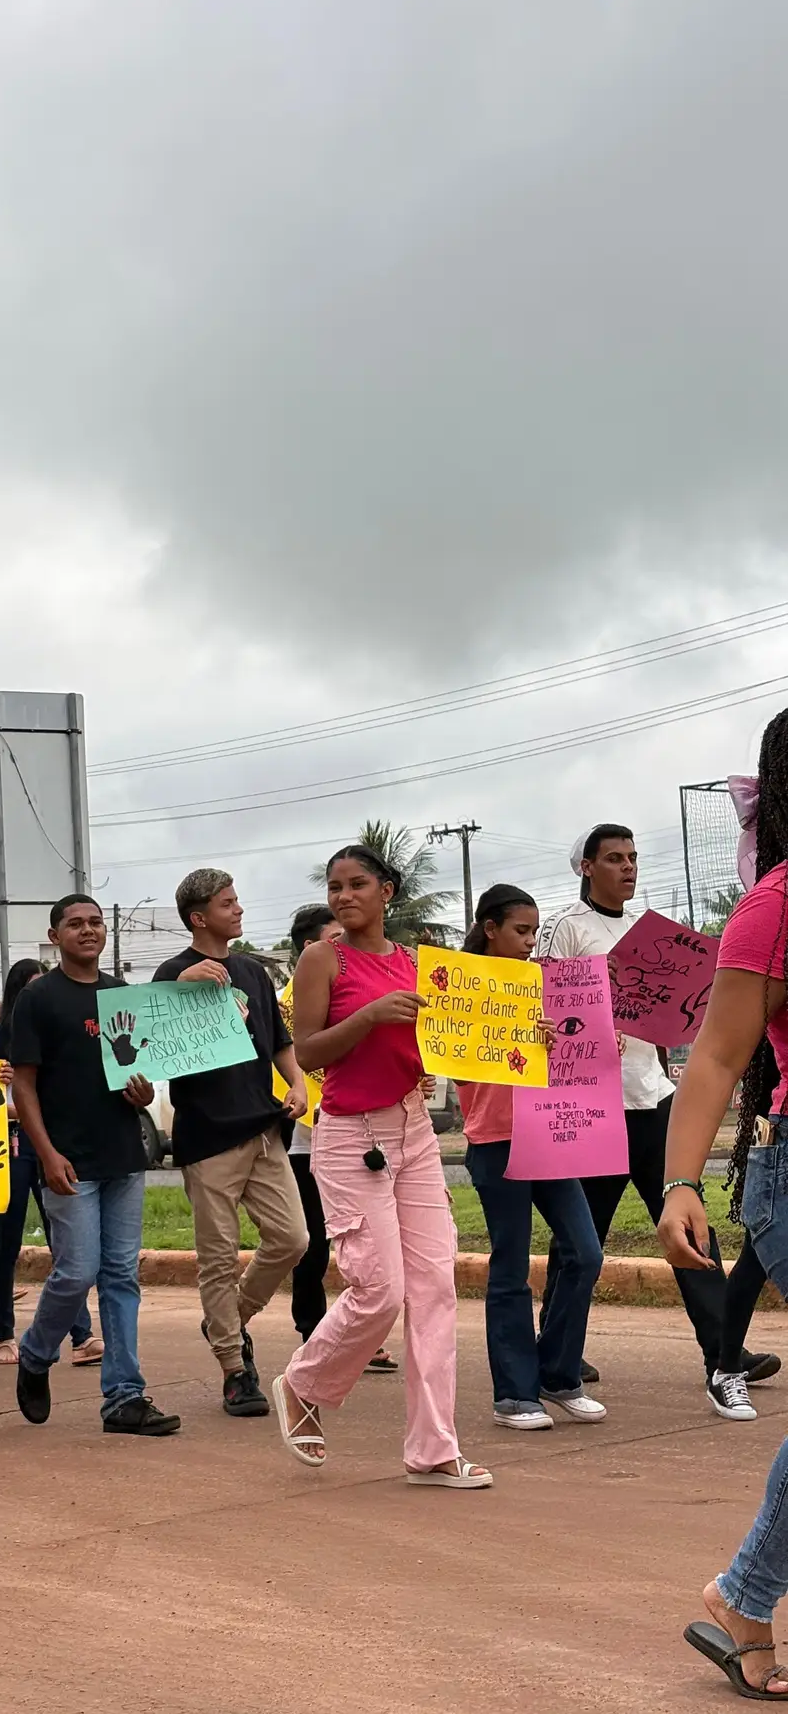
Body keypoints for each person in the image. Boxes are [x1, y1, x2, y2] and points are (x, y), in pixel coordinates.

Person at [273, 846, 491, 1488]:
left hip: (413, 1131)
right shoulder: (322, 959)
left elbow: (462, 1040)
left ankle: (434, 1449)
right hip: (350, 1137)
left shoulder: (420, 964)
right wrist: (369, 1016)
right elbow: (308, 1051)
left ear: (387, 891)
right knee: (379, 1290)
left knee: (435, 1289)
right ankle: (304, 1381)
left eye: (357, 884)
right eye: (334, 887)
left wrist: (527, 1040)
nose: (344, 896)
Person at [537, 824, 778, 1401]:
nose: (628, 867)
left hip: (653, 1095)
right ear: (586, 867)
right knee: (581, 1240)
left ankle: (724, 1352)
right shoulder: (566, 927)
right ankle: (558, 1350)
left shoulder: (651, 933)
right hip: (596, 1105)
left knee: (688, 1222)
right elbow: (544, 1005)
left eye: (633, 857)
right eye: (614, 858)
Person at [659, 707, 788, 1695]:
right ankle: (745, 1591)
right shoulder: (775, 906)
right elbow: (714, 1055)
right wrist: (677, 1184)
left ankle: (744, 1592)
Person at [9, 895, 180, 1437]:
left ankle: (125, 1395)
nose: (88, 931)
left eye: (96, 922)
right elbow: (23, 1085)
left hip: (124, 1157)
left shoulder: (121, 995)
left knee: (120, 1276)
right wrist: (46, 1152)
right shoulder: (38, 999)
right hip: (68, 1162)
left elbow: (139, 1073)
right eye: (75, 924)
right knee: (76, 1272)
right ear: (54, 936)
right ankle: (37, 1352)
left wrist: (143, 1092)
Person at [153, 869, 309, 1418]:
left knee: (292, 1239)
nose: (238, 909)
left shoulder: (252, 972)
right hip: (207, 1137)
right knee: (217, 1258)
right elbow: (155, 1051)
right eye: (227, 903)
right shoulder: (170, 975)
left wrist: (296, 1082)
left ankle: (228, 1319)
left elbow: (279, 1041)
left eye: (237, 900)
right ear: (199, 918)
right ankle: (234, 1370)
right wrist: (181, 988)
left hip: (264, 1128)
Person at [458, 885, 605, 1431]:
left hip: (549, 1133)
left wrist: (593, 1042)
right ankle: (514, 1395)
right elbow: (454, 1060)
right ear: (489, 928)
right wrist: (515, 1037)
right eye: (521, 931)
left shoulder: (546, 982)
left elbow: (577, 1041)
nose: (529, 941)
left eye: (534, 932)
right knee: (511, 1266)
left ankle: (559, 1374)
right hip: (495, 1139)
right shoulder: (463, 988)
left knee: (585, 1254)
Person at [283, 906, 398, 1372]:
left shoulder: (368, 982)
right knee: (313, 1246)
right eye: (334, 938)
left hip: (372, 1135)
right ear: (311, 948)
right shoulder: (287, 1002)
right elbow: (301, 1056)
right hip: (309, 1140)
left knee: (366, 1253)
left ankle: (354, 1338)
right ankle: (313, 1335)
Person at [0, 959, 100, 1365]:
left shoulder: (55, 1029)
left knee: (63, 1239)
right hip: (9, 1142)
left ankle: (81, 1335)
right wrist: (16, 1102)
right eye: (32, 987)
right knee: (7, 1239)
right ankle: (5, 1334)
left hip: (50, 1140)